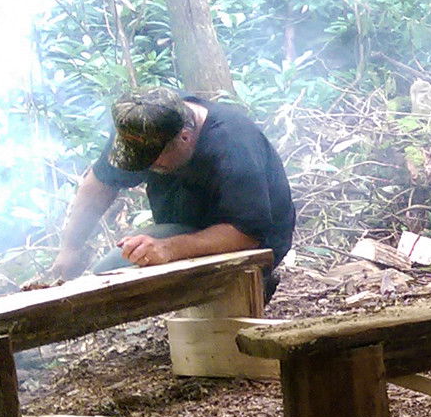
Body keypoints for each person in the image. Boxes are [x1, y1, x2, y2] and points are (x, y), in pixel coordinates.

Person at [45, 88, 296, 299]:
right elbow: (100, 184)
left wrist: (168, 249)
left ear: (185, 138)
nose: (148, 168)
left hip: (252, 241)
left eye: (154, 162)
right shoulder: (141, 126)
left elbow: (247, 233)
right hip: (184, 226)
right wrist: (70, 247)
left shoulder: (233, 143)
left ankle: (257, 285)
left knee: (214, 337)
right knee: (105, 274)